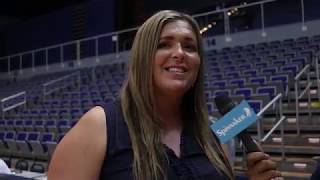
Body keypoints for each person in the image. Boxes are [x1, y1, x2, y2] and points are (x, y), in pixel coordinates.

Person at [47, 10, 282, 180]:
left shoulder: (211, 136)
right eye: (164, 44)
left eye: (190, 47)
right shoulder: (99, 126)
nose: (179, 53)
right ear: (142, 58)